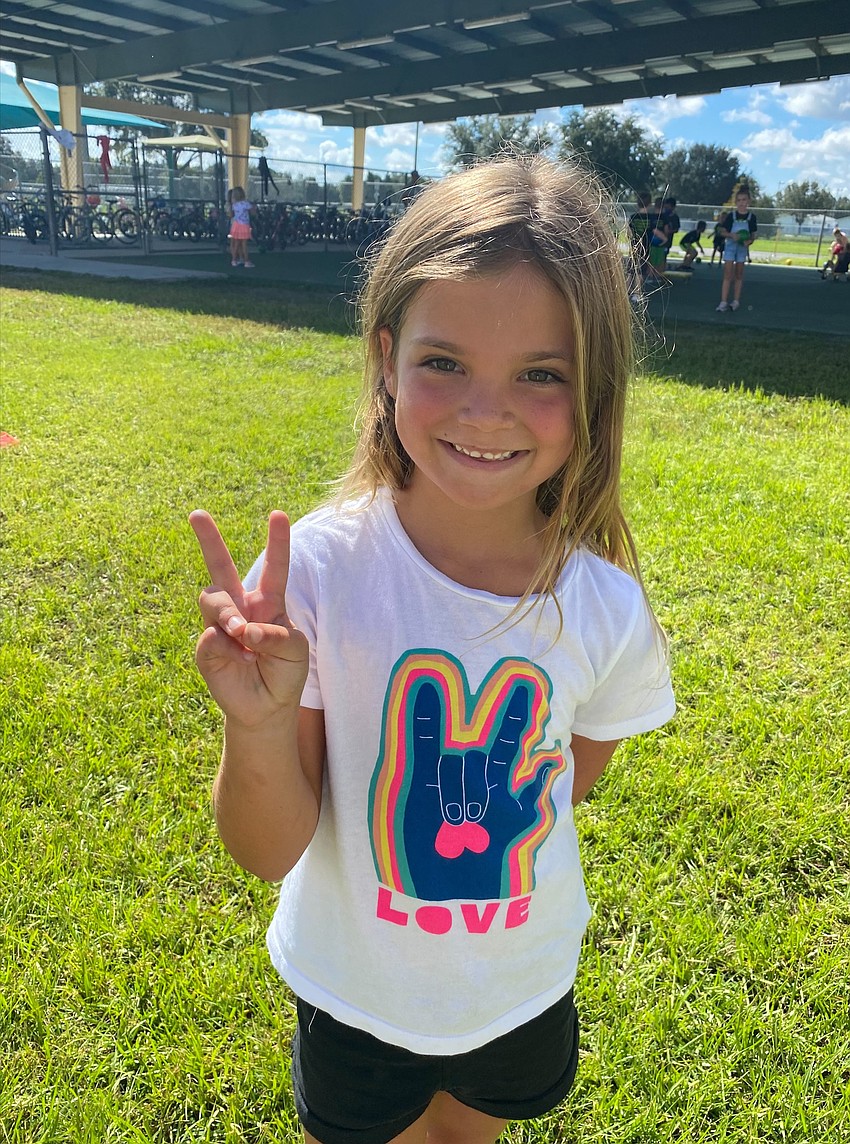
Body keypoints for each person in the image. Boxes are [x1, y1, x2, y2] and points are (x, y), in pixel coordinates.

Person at [190, 155, 676, 1144]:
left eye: (540, 374)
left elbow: (571, 781)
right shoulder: (319, 574)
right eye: (443, 360)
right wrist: (261, 723)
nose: (483, 409)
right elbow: (265, 848)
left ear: (595, 392)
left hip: (515, 988)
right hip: (354, 994)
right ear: (384, 356)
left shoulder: (604, 609)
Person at [716, 186, 757, 312]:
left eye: (744, 200)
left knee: (739, 274)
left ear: (748, 201)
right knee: (728, 274)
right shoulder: (731, 216)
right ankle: (723, 302)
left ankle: (736, 301)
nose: (741, 203)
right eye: (739, 200)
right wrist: (731, 235)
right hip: (730, 247)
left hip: (741, 249)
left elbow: (753, 235)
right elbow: (721, 231)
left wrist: (748, 241)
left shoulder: (751, 217)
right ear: (736, 202)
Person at [227, 185, 255, 268]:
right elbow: (253, 212)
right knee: (244, 244)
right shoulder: (246, 203)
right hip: (244, 225)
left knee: (236, 243)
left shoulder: (234, 205)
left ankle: (234, 260)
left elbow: (231, 215)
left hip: (236, 225)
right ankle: (246, 261)